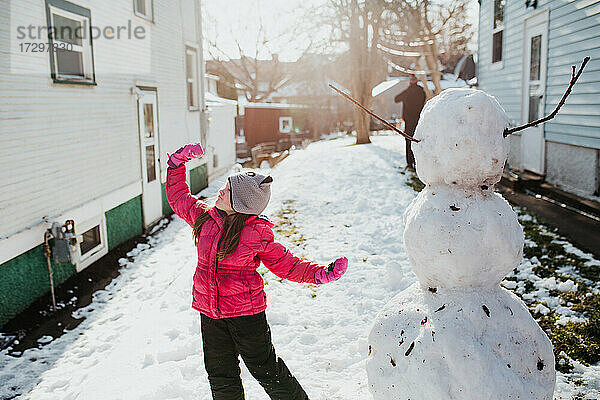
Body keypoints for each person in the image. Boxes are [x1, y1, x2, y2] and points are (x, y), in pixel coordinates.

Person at [165, 143, 348, 400]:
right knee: (220, 374)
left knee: (266, 370)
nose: (220, 190)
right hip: (210, 313)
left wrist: (320, 273)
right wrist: (176, 165)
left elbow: (287, 264)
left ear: (241, 203)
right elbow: (179, 197)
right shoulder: (204, 217)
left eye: (228, 190)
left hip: (246, 314)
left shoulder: (256, 232)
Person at [394, 74, 426, 170]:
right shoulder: (421, 91)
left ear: (410, 81)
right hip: (418, 120)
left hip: (409, 121)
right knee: (418, 141)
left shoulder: (407, 91)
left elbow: (396, 99)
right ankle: (418, 163)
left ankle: (410, 163)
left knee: (408, 141)